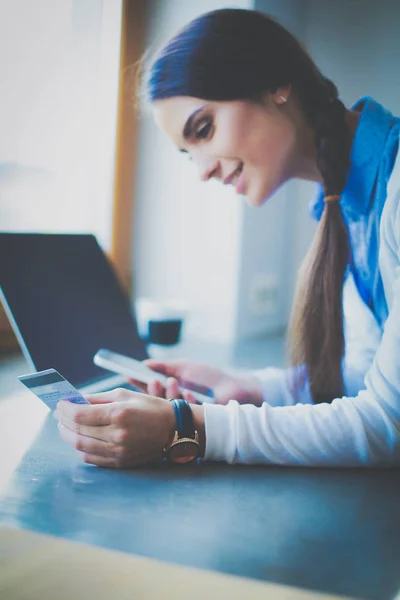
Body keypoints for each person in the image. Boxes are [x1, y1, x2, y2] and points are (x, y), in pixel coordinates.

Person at [55, 8, 400, 467]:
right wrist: (248, 387)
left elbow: (388, 423)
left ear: (277, 82)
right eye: (187, 153)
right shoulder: (342, 205)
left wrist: (190, 427)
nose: (203, 170)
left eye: (204, 129)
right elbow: (364, 376)